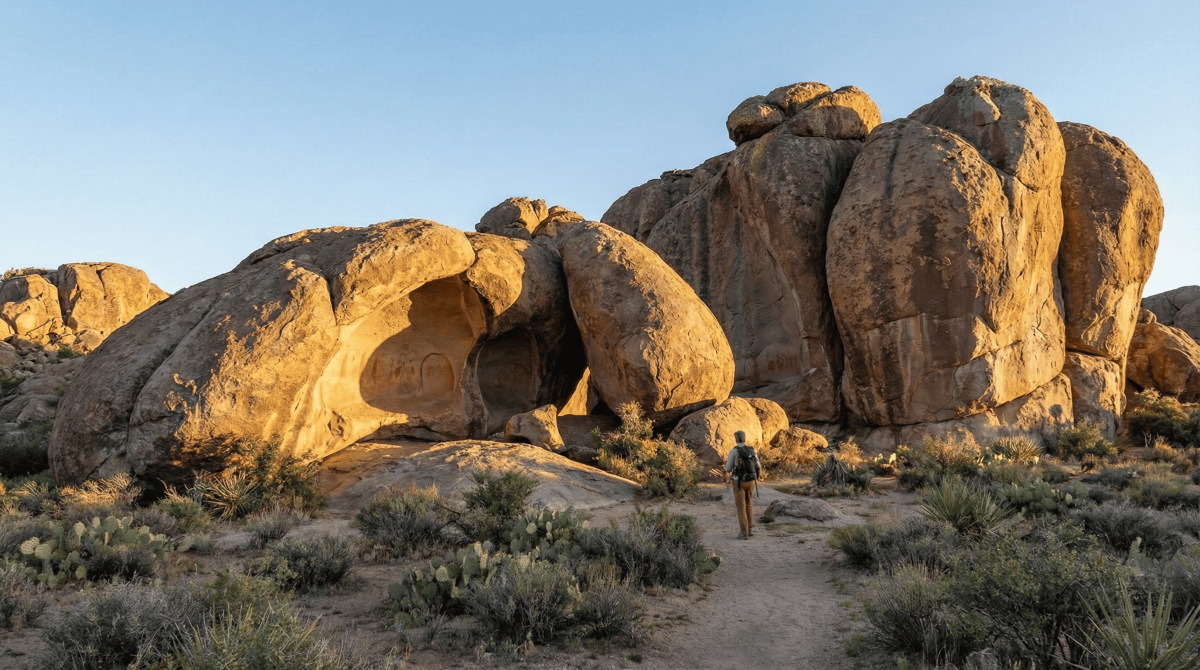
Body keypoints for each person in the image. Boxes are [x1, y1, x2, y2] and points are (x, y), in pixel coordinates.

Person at [724, 430, 760, 539]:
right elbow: (758, 466)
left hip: (738, 481)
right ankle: (750, 529)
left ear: (736, 439)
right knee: (749, 503)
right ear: (745, 438)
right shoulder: (752, 450)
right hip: (751, 481)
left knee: (741, 506)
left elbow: (728, 468)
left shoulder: (734, 451)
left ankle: (743, 533)